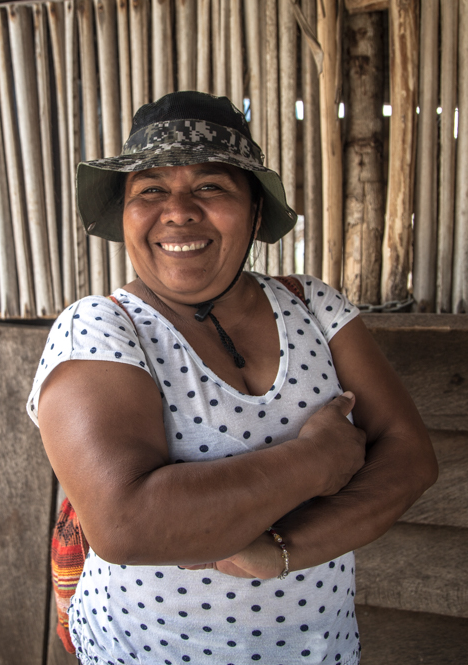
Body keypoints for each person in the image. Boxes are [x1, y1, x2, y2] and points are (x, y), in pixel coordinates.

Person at [27, 91, 437, 665]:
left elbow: (411, 458)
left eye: (211, 186)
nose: (178, 210)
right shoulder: (102, 328)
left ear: (255, 211)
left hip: (321, 651)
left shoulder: (312, 305)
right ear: (125, 214)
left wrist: (282, 551)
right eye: (150, 190)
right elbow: (126, 524)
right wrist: (317, 461)